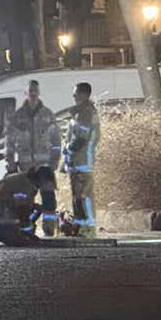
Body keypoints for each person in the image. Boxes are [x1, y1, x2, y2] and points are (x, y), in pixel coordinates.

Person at [4, 79, 61, 236]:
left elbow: (56, 140)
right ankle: (26, 228)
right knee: (25, 199)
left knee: (48, 196)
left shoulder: (48, 115)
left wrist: (55, 160)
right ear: (25, 94)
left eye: (35, 91)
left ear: (39, 92)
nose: (33, 94)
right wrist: (9, 160)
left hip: (44, 164)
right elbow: (9, 140)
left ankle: (49, 228)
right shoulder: (18, 116)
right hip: (25, 165)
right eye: (30, 91)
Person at [0, 165, 56, 247]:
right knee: (20, 242)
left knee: (36, 209)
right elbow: (21, 210)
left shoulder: (22, 179)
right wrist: (26, 234)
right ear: (42, 179)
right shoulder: (25, 186)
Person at [63, 82, 100, 238]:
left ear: (84, 94)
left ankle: (88, 227)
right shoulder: (84, 112)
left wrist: (68, 150)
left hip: (81, 160)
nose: (74, 96)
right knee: (80, 195)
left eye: (76, 93)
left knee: (84, 195)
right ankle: (82, 225)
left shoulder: (84, 113)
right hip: (81, 160)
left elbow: (79, 138)